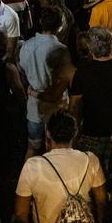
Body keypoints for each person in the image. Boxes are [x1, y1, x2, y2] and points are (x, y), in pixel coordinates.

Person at [69, 28, 112, 223]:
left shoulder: (82, 73)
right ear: (111, 43)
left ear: (90, 48)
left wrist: (75, 134)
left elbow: (75, 107)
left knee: (95, 181)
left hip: (93, 132)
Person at [19, 8, 74, 156]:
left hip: (33, 107)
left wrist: (31, 91)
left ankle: (29, 176)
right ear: (60, 25)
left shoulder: (26, 46)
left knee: (32, 148)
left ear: (41, 22)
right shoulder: (61, 49)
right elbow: (65, 80)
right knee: (55, 151)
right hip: (56, 108)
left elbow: (22, 73)